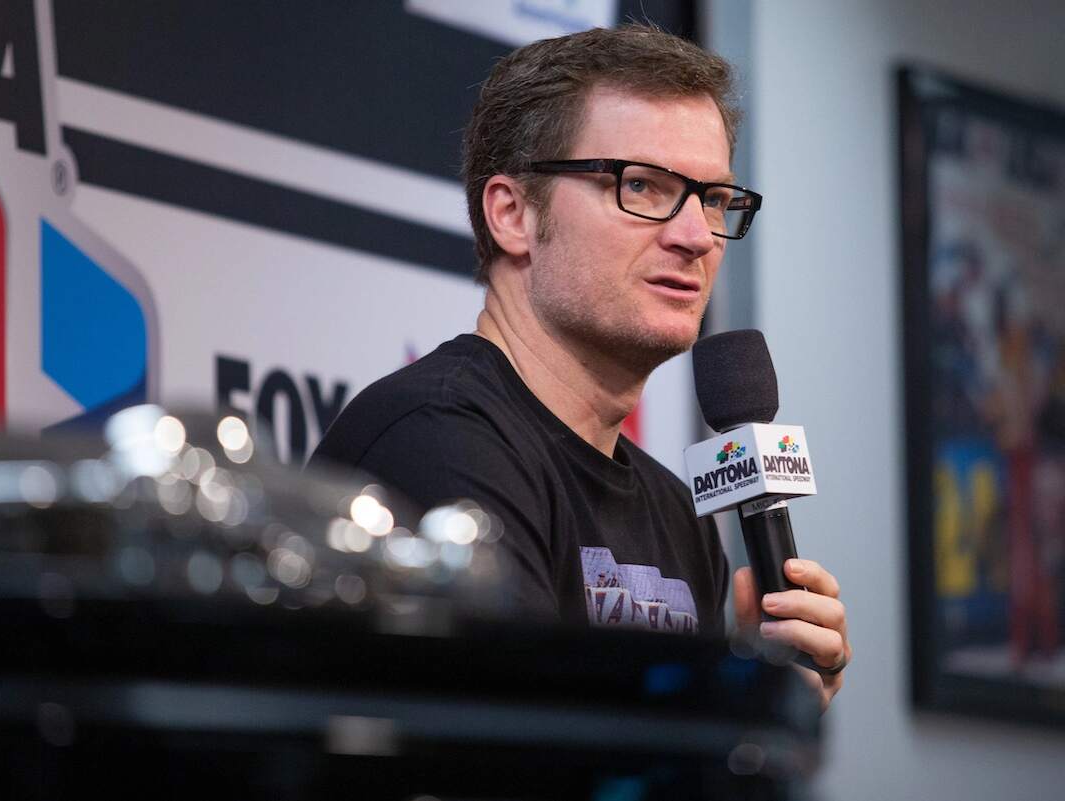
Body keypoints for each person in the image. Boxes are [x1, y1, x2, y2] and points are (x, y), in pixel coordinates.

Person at [311, 24, 849, 708]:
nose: (694, 237)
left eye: (713, 200)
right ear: (512, 215)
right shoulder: (436, 442)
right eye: (643, 186)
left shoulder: (676, 512)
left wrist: (747, 700)